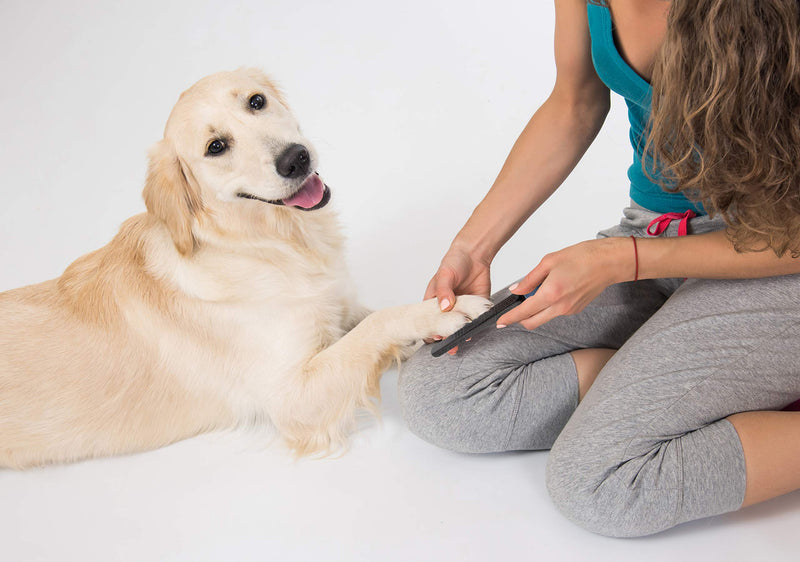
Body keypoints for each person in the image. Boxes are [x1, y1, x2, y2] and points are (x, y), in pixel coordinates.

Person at [398, 0, 800, 538]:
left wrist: (625, 259)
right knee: (440, 391)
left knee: (602, 484)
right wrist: (475, 246)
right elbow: (574, 101)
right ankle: (669, 375)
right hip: (657, 232)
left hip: (770, 257)